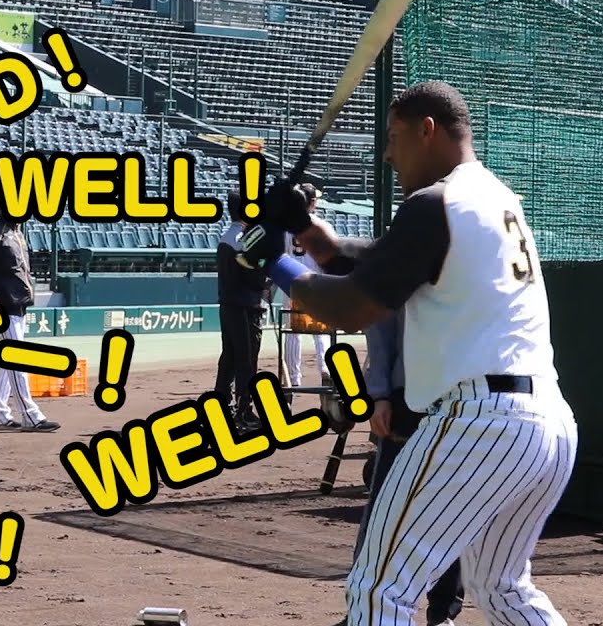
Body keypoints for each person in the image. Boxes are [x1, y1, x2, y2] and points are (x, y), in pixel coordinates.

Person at [238, 80, 578, 625]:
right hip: (546, 427)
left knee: (379, 591)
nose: (388, 154)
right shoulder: (491, 196)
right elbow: (376, 260)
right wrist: (304, 229)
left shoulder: (435, 202)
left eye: (394, 137)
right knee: (502, 589)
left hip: (480, 423)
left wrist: (272, 263)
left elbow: (353, 307)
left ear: (428, 131)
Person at [358, 309, 465, 626]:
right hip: (408, 396)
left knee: (453, 508)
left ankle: (442, 612)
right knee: (384, 511)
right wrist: (379, 394)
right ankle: (363, 609)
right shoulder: (398, 274)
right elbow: (379, 324)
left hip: (466, 397)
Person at [0, 190, 60, 432]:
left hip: (18, 303)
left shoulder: (16, 232)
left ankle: (0, 413)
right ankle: (30, 416)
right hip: (2, 305)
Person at [215, 189, 269, 431]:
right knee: (246, 359)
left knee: (229, 356)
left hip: (229, 304)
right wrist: (264, 280)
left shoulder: (227, 237)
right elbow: (253, 275)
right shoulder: (243, 240)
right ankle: (244, 411)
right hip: (246, 306)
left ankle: (222, 405)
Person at [282, 183, 330, 388]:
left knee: (293, 333)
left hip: (292, 283)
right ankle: (325, 368)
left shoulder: (286, 227)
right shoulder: (320, 225)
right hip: (315, 283)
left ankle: (293, 378)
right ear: (311, 202)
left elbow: (282, 256)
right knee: (321, 331)